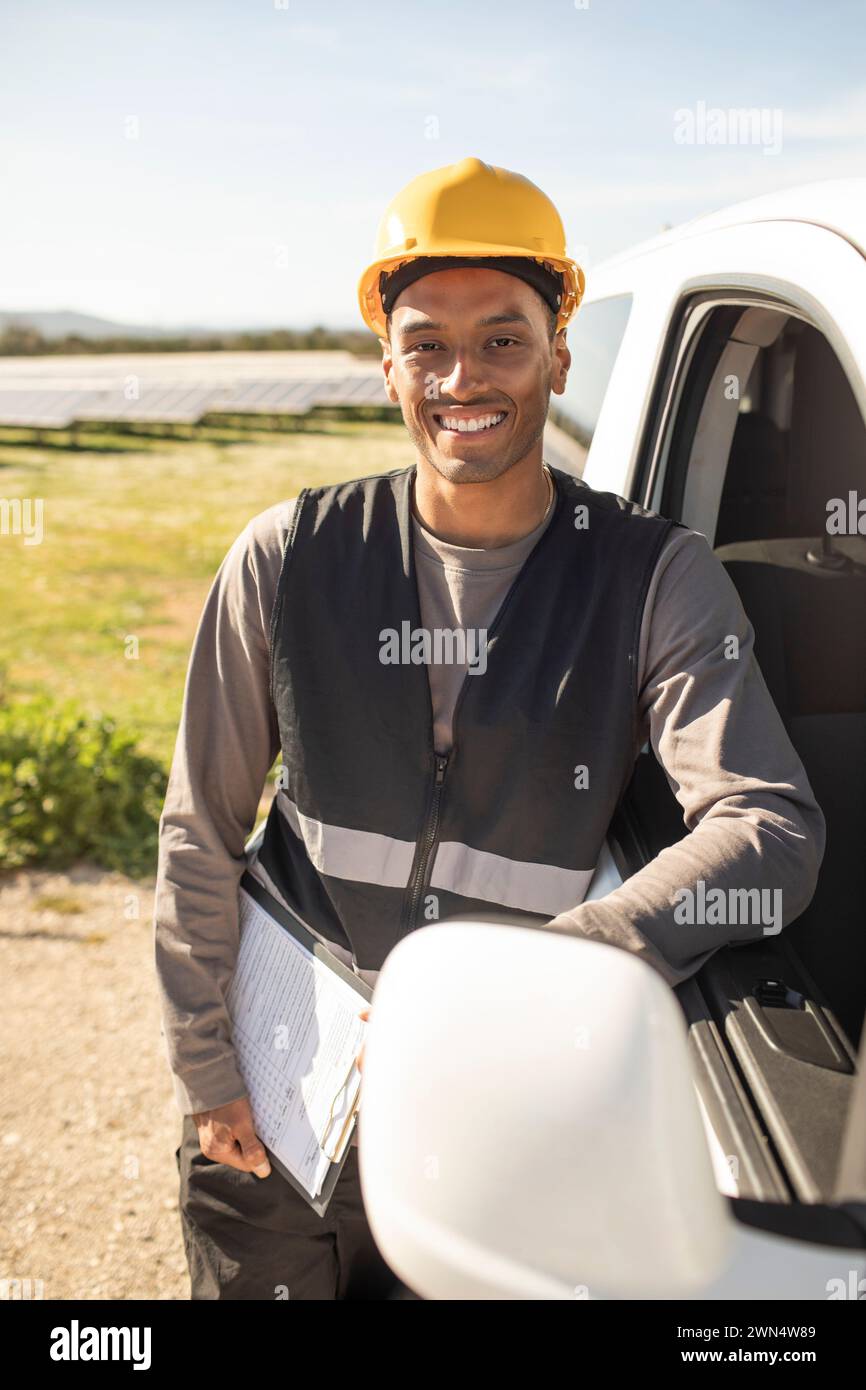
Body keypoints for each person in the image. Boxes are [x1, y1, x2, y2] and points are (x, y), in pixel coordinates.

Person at [154, 156, 826, 1300]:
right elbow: (198, 833)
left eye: (502, 339)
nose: (462, 376)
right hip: (273, 1112)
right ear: (386, 367)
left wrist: (562, 964)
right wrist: (206, 1069)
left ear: (557, 354)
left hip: (486, 1114)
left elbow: (768, 828)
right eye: (426, 342)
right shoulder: (286, 555)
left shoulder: (653, 577)